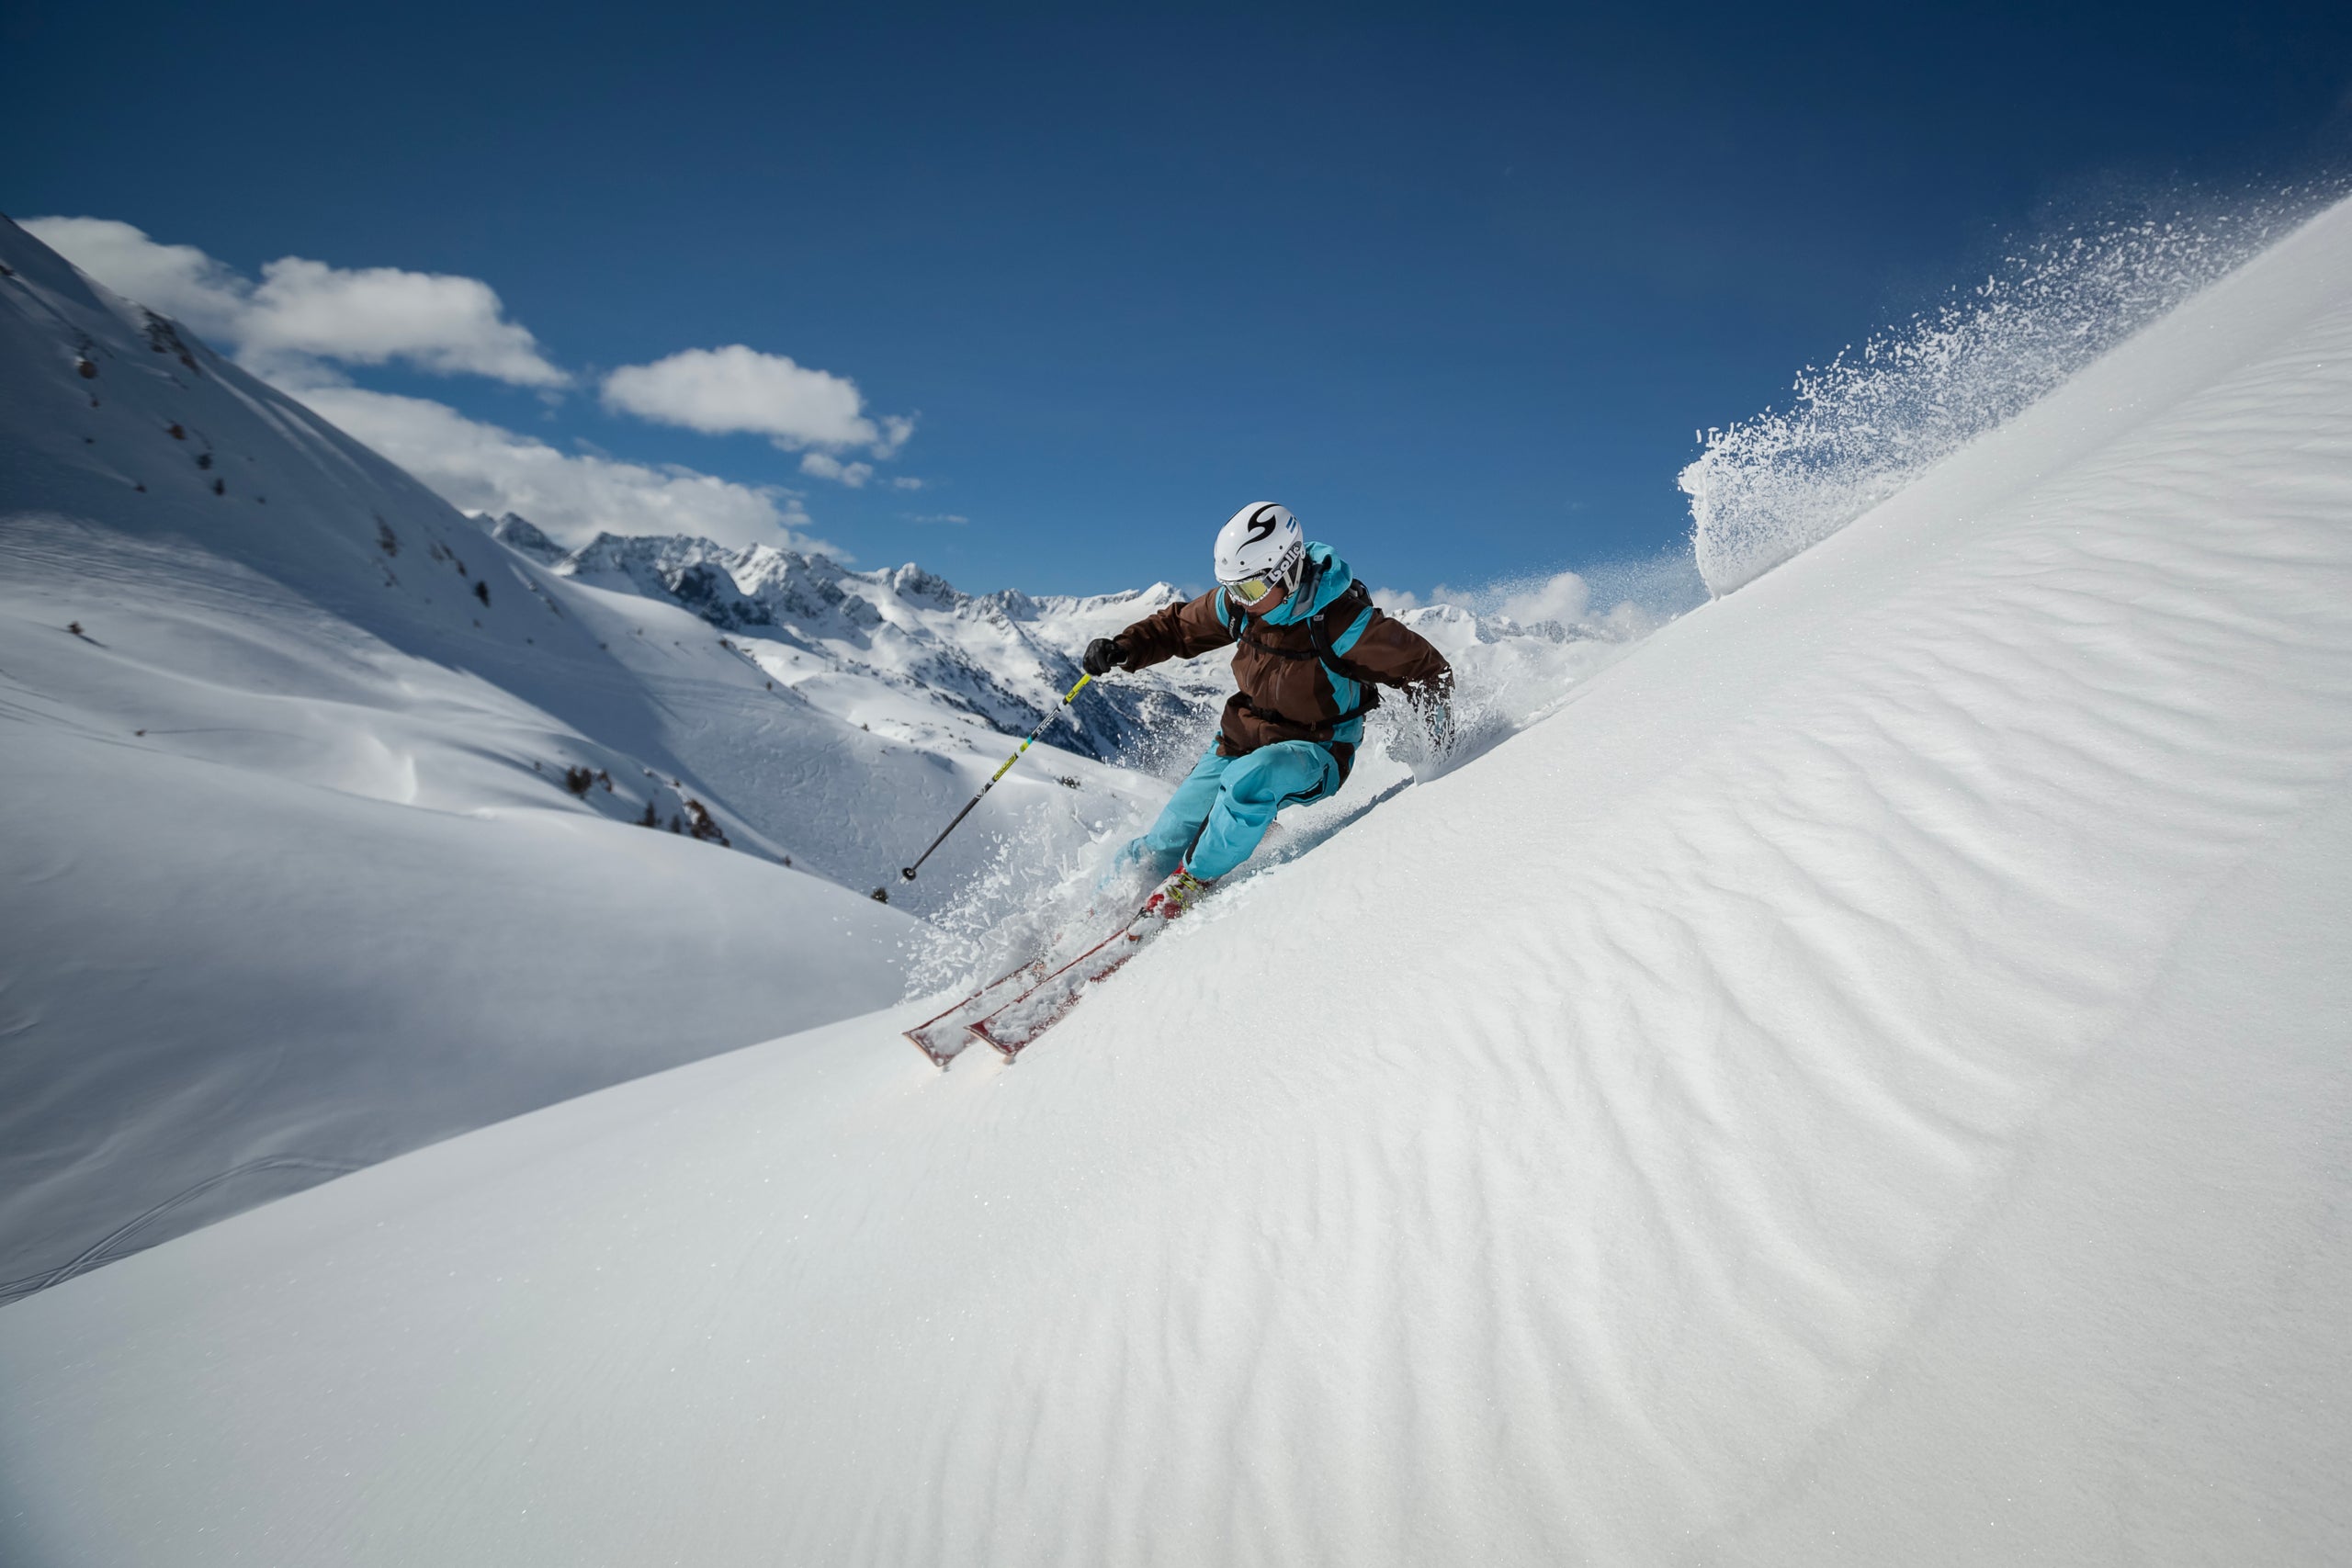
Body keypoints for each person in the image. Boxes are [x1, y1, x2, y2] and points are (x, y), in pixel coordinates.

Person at [1082, 502, 1453, 915]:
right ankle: (1103, 907)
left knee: (1249, 782)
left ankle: (1191, 883)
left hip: (1317, 750)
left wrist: (1441, 744)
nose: (1240, 601)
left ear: (1288, 570)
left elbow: (1428, 671)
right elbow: (1179, 626)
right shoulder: (1242, 603)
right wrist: (1124, 647)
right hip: (1241, 736)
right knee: (1167, 837)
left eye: (1251, 590)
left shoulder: (1342, 623)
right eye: (1232, 589)